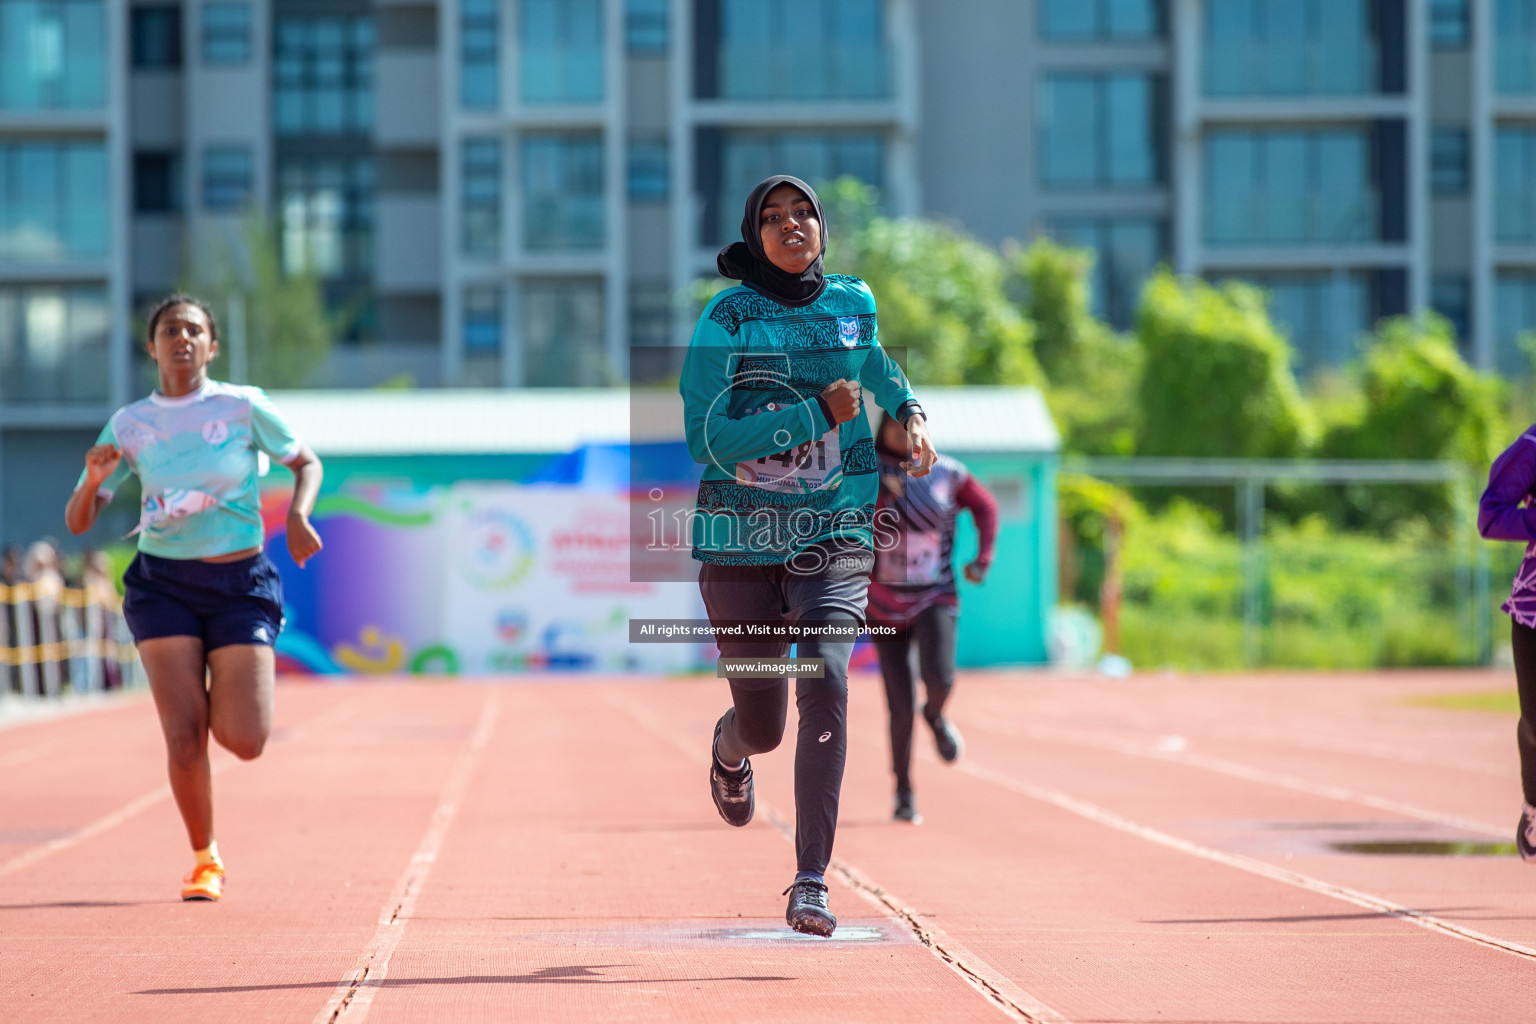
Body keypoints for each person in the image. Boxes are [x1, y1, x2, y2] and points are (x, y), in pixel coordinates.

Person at [681, 174, 933, 936]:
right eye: (773, 217)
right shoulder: (727, 318)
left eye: (804, 213)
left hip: (835, 534)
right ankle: (729, 748)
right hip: (741, 544)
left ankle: (811, 880)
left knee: (824, 676)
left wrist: (912, 413)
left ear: (822, 227)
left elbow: (880, 369)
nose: (792, 225)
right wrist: (813, 413)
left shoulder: (853, 304)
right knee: (764, 727)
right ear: (754, 235)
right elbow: (707, 441)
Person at [65, 294, 323, 901]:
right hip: (164, 587)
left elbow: (305, 462)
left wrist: (298, 516)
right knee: (183, 737)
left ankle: (214, 687)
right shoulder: (130, 424)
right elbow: (78, 521)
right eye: (169, 330)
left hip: (238, 587)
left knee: (245, 740)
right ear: (151, 347)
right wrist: (98, 479)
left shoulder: (242, 406)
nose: (181, 339)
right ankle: (205, 858)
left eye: (193, 330)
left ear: (212, 346)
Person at [867, 413, 997, 824]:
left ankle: (936, 715)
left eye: (907, 425)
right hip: (883, 604)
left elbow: (987, 507)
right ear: (882, 430)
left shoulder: (949, 473)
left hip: (934, 595)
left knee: (940, 678)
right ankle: (904, 792)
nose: (900, 434)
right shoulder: (865, 471)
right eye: (892, 426)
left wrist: (983, 558)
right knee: (898, 704)